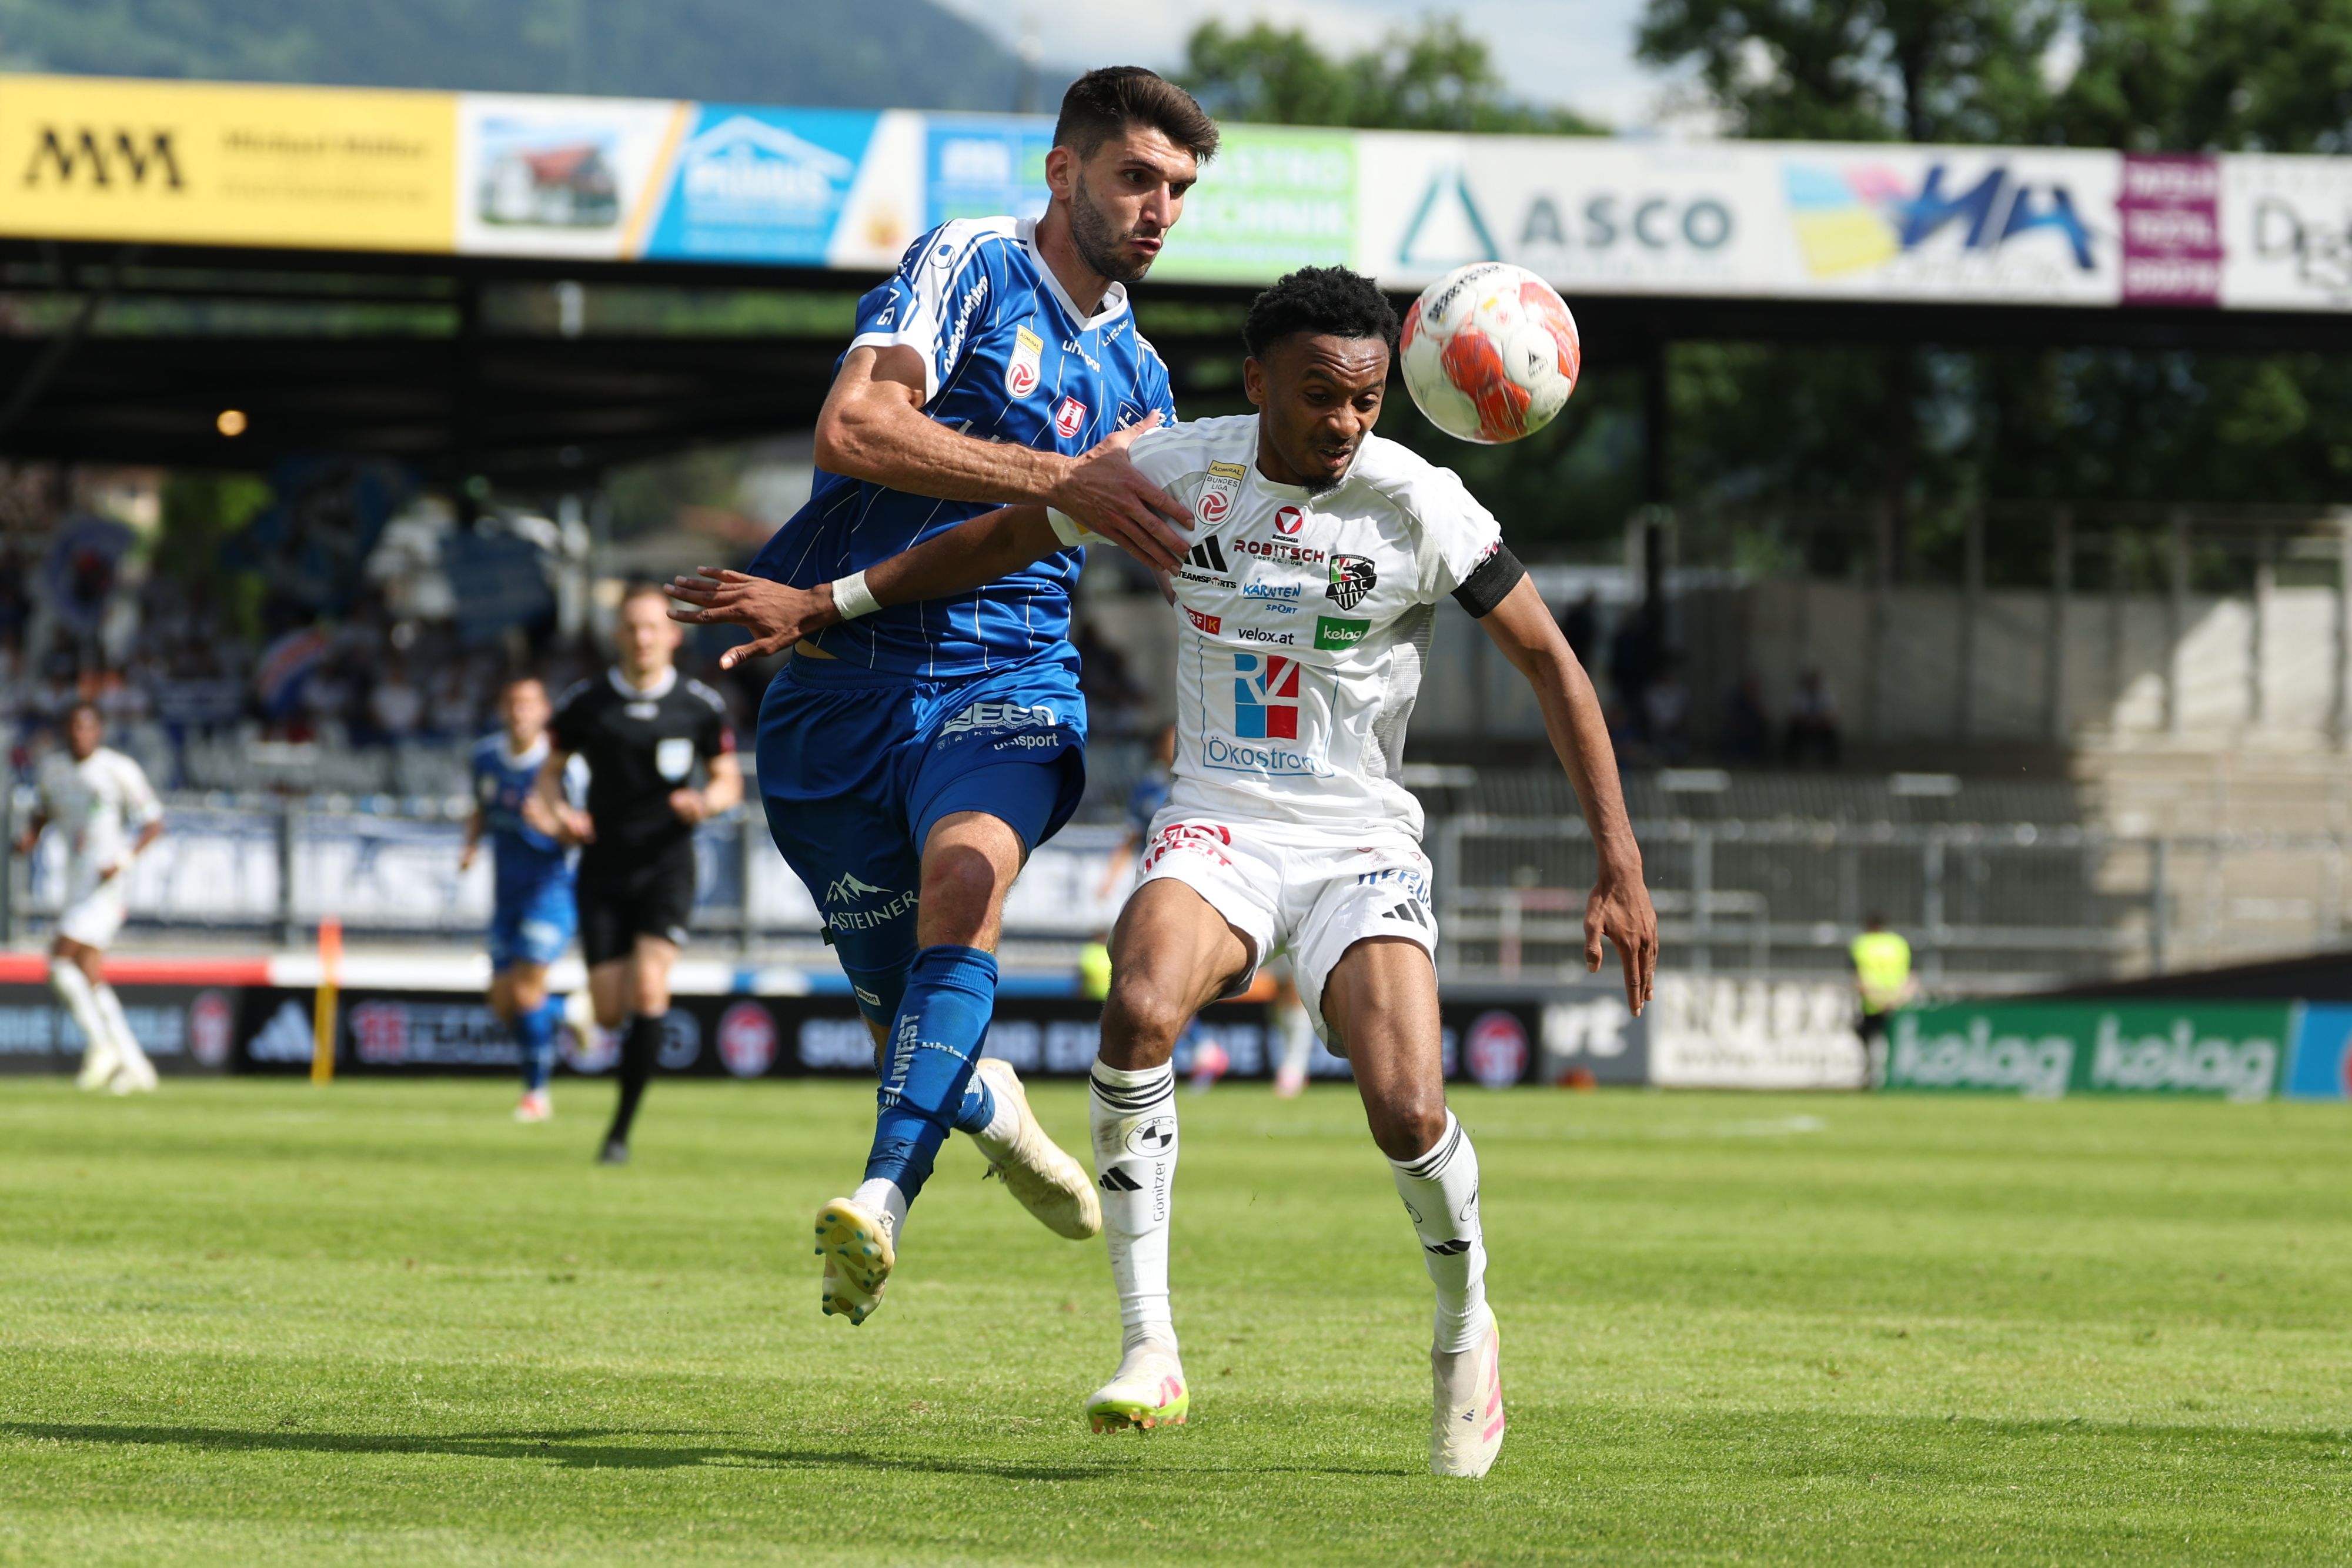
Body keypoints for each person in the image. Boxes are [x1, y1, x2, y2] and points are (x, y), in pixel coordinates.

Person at [699, 266, 1659, 1477]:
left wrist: (1617, 864)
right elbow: (995, 539)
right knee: (1137, 1009)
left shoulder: (1421, 505)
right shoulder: (1176, 471)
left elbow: (1554, 668)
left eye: (1363, 401)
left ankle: (1465, 1325)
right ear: (1258, 382)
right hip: (1215, 819)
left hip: (1358, 838)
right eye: (1318, 396)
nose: (1343, 423)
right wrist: (825, 600)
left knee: (1406, 1110)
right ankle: (1149, 1346)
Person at [664, 66, 1220, 1326]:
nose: (1157, 209)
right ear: (1062, 172)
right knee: (904, 1017)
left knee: (964, 893)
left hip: (1007, 674)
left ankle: (878, 1201)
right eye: (1136, 176)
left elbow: (1049, 538)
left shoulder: (1144, 386)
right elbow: (854, 428)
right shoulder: (968, 261)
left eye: (1178, 189)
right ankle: (985, 1102)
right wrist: (1060, 476)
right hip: (832, 686)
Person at [537, 585, 741, 1164]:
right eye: (632, 628)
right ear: (617, 635)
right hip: (602, 866)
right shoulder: (587, 703)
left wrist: (704, 803)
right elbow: (549, 777)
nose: (642, 638)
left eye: (652, 628)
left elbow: (728, 780)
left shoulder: (699, 705)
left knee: (650, 989)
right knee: (607, 1011)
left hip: (667, 866)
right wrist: (560, 815)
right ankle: (586, 1013)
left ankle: (619, 1134)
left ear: (673, 636)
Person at [21, 703, 163, 1092]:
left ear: (98, 731)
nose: (80, 734)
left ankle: (102, 1047)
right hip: (75, 882)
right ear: (66, 730)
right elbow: (43, 811)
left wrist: (124, 859)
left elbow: (154, 822)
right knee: (89, 972)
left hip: (106, 884)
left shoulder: (119, 769)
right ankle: (136, 1064)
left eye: (87, 727)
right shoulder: (53, 771)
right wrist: (30, 838)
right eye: (74, 727)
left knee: (59, 958)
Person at [462, 677, 584, 1123]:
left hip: (550, 893)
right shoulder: (486, 758)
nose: (520, 713)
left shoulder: (563, 764)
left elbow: (582, 832)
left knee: (526, 990)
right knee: (503, 1000)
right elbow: (479, 807)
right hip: (506, 895)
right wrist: (471, 845)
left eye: (529, 705)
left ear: (544, 711)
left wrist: (551, 825)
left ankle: (536, 1094)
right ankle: (568, 1008)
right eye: (512, 704)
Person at [1849, 913, 1913, 1084]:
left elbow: (1857, 977)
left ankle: (1872, 1078)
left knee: (1870, 1042)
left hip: (1872, 1004)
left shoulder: (1861, 944)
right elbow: (1912, 977)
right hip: (1897, 1004)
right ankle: (1893, 1079)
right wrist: (1899, 999)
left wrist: (1875, 999)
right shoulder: (1899, 943)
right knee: (1894, 1044)